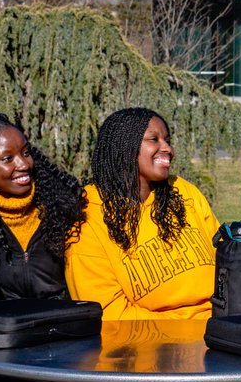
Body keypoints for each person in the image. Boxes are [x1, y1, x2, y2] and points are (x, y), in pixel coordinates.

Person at [65, 107, 220, 319]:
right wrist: (190, 329)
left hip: (220, 330)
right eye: (154, 139)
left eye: (167, 140)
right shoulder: (87, 215)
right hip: (143, 345)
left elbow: (227, 262)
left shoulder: (184, 192)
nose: (168, 149)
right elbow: (110, 312)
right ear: (124, 146)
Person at [0, 112, 86, 300]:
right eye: (7, 158)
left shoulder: (63, 209)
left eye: (26, 153)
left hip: (63, 325)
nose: (24, 164)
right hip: (9, 327)